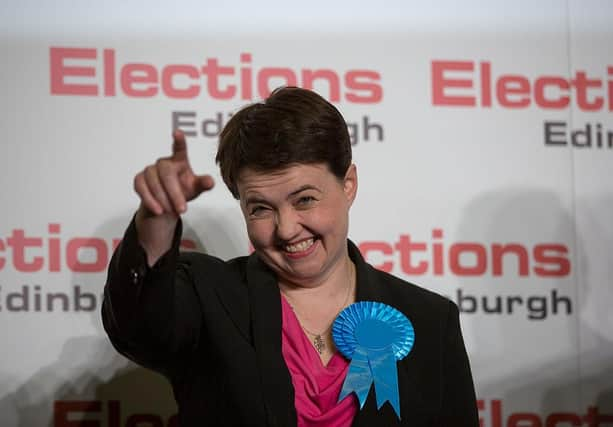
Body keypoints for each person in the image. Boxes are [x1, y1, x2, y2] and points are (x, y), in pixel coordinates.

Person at [102, 86, 479, 426]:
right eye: (261, 209)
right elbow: (140, 329)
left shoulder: (429, 321)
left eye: (305, 200)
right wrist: (157, 219)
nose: (285, 229)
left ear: (348, 185)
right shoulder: (209, 295)